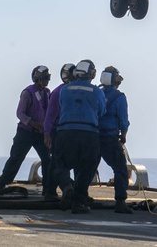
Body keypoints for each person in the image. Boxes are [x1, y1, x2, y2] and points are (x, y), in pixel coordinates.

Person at [53, 59, 105, 214]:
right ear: (92, 74)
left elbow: (62, 106)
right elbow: (102, 111)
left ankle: (67, 186)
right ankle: (78, 202)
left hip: (65, 132)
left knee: (59, 164)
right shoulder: (96, 91)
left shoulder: (64, 89)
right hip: (89, 134)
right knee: (87, 168)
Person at [0, 65, 54, 198]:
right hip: (26, 132)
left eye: (48, 78)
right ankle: (2, 183)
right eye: (45, 78)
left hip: (40, 133)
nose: (47, 81)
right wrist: (32, 122)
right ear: (38, 79)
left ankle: (48, 188)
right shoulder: (27, 93)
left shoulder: (47, 93)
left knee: (47, 159)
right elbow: (20, 113)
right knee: (16, 157)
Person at [98, 65, 133, 214]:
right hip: (110, 138)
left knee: (87, 167)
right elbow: (123, 120)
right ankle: (120, 201)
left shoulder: (96, 94)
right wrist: (123, 135)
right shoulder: (119, 98)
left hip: (93, 136)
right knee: (120, 169)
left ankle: (80, 198)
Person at [42, 63, 75, 202]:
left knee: (59, 162)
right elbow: (50, 115)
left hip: (68, 131)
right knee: (56, 162)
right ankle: (53, 191)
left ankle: (65, 190)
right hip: (58, 131)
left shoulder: (64, 91)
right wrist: (47, 133)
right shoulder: (58, 92)